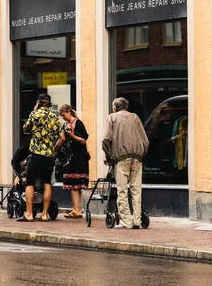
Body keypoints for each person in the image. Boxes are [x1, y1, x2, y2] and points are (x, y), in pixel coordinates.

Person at [101, 97, 149, 229]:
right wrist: (141, 153)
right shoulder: (135, 117)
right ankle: (137, 220)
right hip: (137, 158)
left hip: (121, 158)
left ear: (115, 108)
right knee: (136, 189)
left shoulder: (112, 118)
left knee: (122, 190)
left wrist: (109, 155)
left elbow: (105, 139)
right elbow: (145, 140)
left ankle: (126, 221)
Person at [17, 93, 60, 222]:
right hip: (48, 156)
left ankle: (29, 214)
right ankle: (45, 214)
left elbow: (26, 128)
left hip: (36, 154)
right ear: (50, 103)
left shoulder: (34, 114)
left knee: (30, 182)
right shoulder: (54, 116)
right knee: (47, 182)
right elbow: (61, 136)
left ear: (38, 102)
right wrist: (54, 149)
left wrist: (35, 109)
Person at [55, 104, 90, 218]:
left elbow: (83, 140)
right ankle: (77, 209)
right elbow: (63, 139)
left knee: (74, 184)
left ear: (68, 112)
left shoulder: (78, 123)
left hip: (77, 156)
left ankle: (77, 210)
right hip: (70, 157)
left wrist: (72, 135)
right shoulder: (65, 125)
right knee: (74, 184)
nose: (63, 117)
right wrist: (56, 149)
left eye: (63, 115)